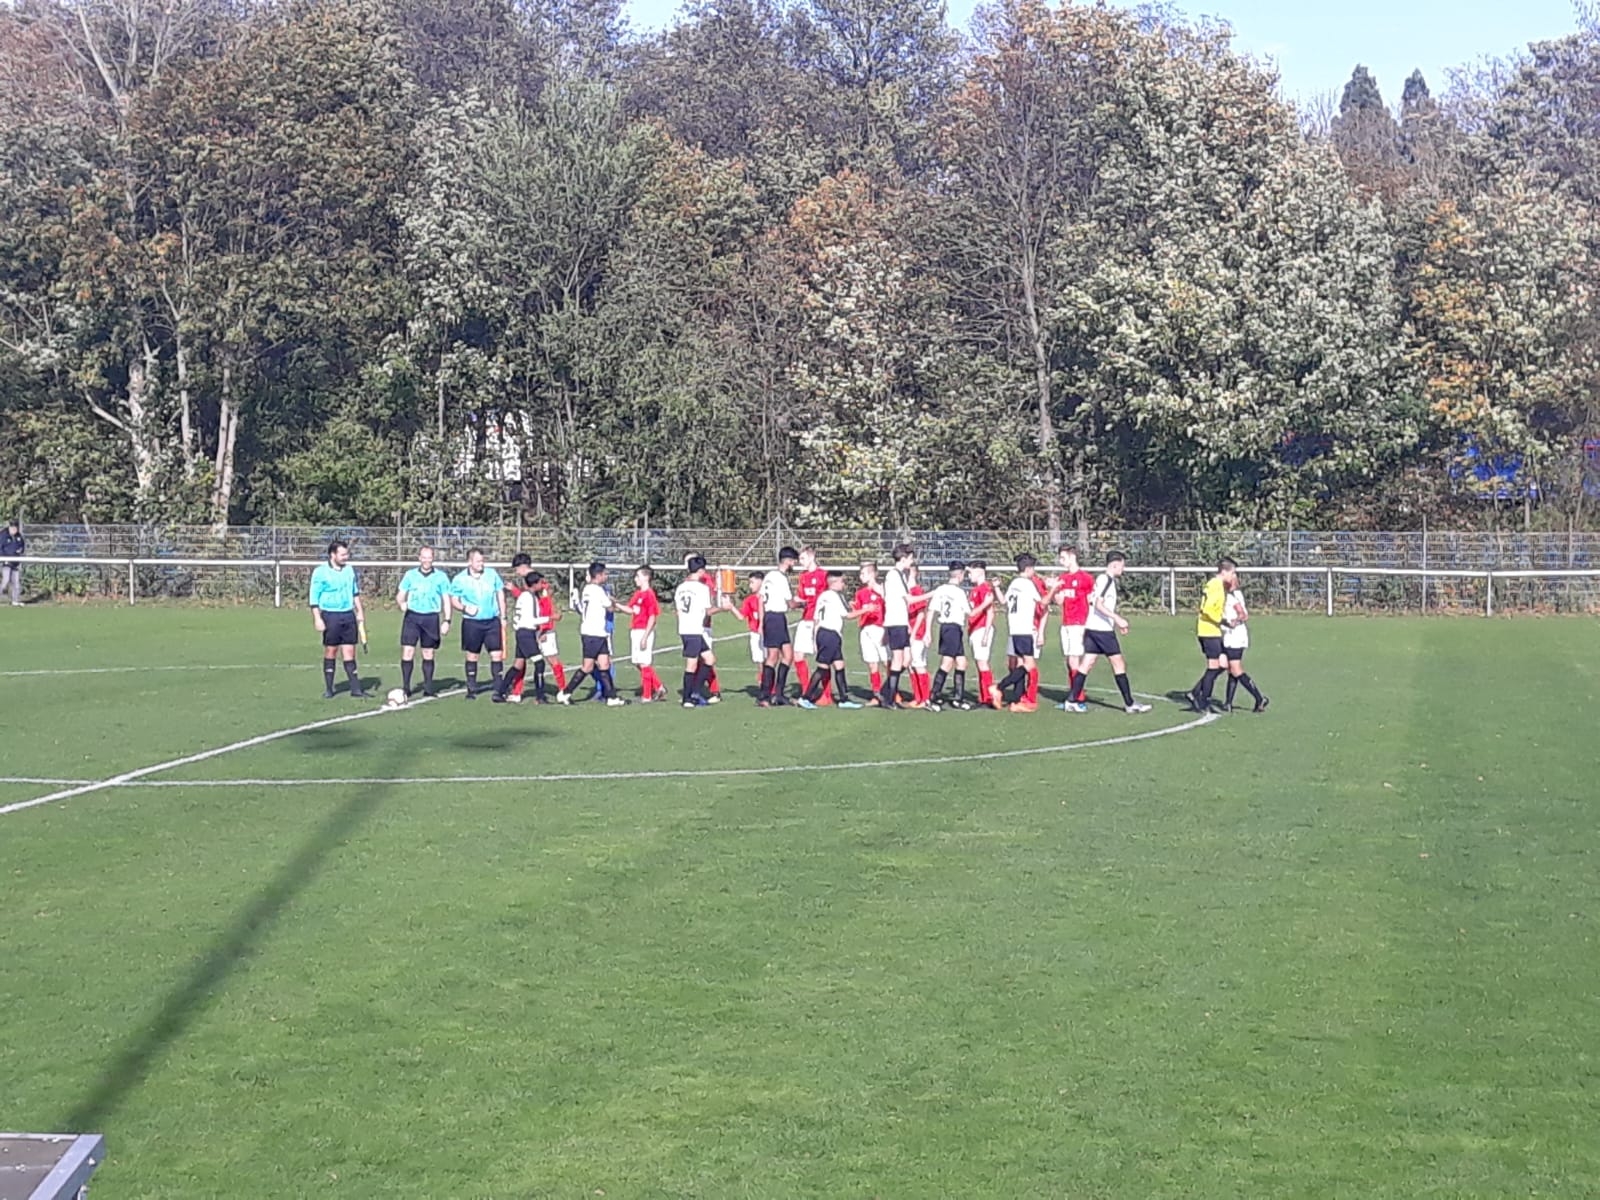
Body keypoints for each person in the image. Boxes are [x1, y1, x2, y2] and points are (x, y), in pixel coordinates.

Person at [1066, 552, 1153, 714]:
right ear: (1115, 565)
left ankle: (1071, 701)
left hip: (1093, 628)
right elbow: (1099, 604)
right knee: (1118, 664)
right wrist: (1117, 619)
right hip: (1102, 631)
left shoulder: (1103, 580)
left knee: (1087, 663)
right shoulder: (1105, 580)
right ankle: (1130, 704)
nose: (1123, 569)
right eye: (1122, 565)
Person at [559, 561, 624, 706]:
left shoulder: (587, 588)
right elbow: (610, 608)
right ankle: (565, 693)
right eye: (605, 574)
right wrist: (613, 601)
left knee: (604, 664)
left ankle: (612, 697)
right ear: (598, 575)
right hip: (593, 633)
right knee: (587, 667)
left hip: (597, 632)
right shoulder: (598, 590)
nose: (606, 576)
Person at [309, 538, 367, 699]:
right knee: (331, 650)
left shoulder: (349, 570)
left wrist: (360, 611)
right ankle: (329, 689)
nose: (345, 557)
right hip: (330, 615)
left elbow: (355, 593)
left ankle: (356, 689)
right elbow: (314, 597)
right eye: (342, 554)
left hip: (348, 614)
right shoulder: (320, 572)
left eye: (347, 554)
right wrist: (317, 618)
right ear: (332, 555)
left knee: (350, 651)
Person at [798, 572, 863, 709]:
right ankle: (805, 698)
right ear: (835, 583)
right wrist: (866, 610)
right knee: (823, 667)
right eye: (842, 582)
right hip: (830, 634)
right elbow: (847, 615)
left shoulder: (823, 596)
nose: (844, 584)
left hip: (824, 633)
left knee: (839, 665)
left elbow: (816, 619)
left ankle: (844, 699)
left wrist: (815, 638)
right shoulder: (833, 596)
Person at [449, 546, 506, 700]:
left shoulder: (491, 574)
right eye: (478, 561)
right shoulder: (460, 579)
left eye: (482, 560)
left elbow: (500, 593)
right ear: (470, 562)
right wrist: (464, 608)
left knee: (496, 654)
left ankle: (498, 690)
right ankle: (472, 688)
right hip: (472, 623)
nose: (481, 564)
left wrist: (503, 616)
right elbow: (454, 599)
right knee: (472, 655)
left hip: (492, 621)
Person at [396, 545, 451, 697]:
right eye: (424, 557)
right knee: (408, 651)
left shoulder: (441, 577)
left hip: (431, 617)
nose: (427, 560)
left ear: (433, 558)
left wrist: (447, 620)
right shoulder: (410, 575)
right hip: (412, 617)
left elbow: (446, 599)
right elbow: (400, 595)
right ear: (419, 558)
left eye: (429, 557)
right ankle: (406, 688)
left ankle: (428, 688)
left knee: (428, 652)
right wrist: (401, 603)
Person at [991, 553, 1041, 712]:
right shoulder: (1027, 584)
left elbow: (1003, 601)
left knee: (1020, 664)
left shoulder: (1014, 583)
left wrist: (996, 587)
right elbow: (1043, 602)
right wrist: (1054, 588)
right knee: (1029, 664)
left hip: (1014, 629)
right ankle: (998, 687)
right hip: (1024, 630)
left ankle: (1017, 701)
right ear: (1028, 569)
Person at [674, 555, 724, 707]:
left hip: (688, 628)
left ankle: (695, 691)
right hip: (693, 630)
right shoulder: (702, 589)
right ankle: (687, 698)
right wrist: (722, 608)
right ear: (701, 571)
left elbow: (678, 610)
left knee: (710, 659)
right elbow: (707, 611)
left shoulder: (681, 587)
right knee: (692, 664)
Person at [1189, 557, 1237, 713]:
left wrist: (1223, 623)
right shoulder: (1215, 585)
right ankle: (1203, 700)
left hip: (1212, 630)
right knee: (1213, 666)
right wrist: (1222, 620)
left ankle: (1195, 692)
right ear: (1224, 572)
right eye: (1232, 573)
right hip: (1208, 631)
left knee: (1223, 664)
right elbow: (1207, 609)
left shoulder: (1216, 585)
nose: (1233, 576)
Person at [873, 544, 916, 709]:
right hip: (896, 623)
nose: (912, 561)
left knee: (907, 659)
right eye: (910, 558)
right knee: (898, 660)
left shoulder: (900, 575)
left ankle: (884, 692)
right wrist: (933, 594)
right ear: (903, 558)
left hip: (901, 622)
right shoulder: (893, 575)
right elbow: (908, 599)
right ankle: (889, 699)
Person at [1051, 546, 1094, 712]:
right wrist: (1054, 588)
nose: (1061, 561)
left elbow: (1091, 600)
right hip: (1066, 623)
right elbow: (1059, 601)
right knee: (1069, 661)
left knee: (1074, 659)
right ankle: (1074, 695)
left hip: (1079, 623)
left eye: (1063, 557)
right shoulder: (1062, 578)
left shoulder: (1086, 578)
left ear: (1072, 557)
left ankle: (1077, 698)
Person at [498, 569, 551, 703]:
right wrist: (550, 618)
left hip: (523, 632)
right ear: (534, 584)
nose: (542, 585)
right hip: (526, 633)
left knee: (518, 664)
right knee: (539, 663)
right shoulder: (529, 597)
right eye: (541, 583)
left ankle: (500, 692)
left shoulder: (527, 596)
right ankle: (540, 697)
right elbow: (531, 620)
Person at [926, 561, 972, 712]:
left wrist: (928, 631)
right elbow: (970, 612)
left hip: (947, 629)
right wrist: (985, 603)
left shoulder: (940, 589)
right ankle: (932, 697)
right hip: (952, 628)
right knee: (947, 663)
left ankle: (958, 698)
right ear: (960, 575)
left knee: (962, 663)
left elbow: (931, 610)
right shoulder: (960, 593)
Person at [757, 546, 799, 706]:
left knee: (788, 655)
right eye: (793, 561)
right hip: (775, 617)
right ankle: (764, 696)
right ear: (787, 561)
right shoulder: (780, 578)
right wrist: (803, 603)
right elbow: (791, 603)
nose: (794, 564)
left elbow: (761, 599)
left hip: (773, 618)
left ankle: (778, 694)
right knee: (773, 656)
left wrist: (762, 621)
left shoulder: (769, 575)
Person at [1222, 577, 1270, 713]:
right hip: (1235, 635)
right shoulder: (1236, 594)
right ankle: (1228, 703)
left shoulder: (1230, 597)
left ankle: (1259, 698)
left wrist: (1232, 622)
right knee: (1232, 669)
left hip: (1234, 636)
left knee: (1236, 669)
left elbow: (1243, 614)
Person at [627, 566, 668, 702]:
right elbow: (630, 609)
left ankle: (647, 695)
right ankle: (659, 687)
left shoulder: (649, 595)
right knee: (638, 662)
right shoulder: (638, 594)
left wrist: (645, 636)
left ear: (646, 577)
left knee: (644, 663)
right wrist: (615, 604)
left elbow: (652, 617)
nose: (635, 579)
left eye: (638, 576)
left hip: (644, 631)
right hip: (635, 630)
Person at [793, 547, 828, 703]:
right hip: (805, 619)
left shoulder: (823, 575)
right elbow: (801, 597)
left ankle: (826, 695)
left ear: (812, 557)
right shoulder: (803, 576)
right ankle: (807, 691)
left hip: (820, 620)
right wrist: (797, 602)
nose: (800, 562)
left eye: (803, 558)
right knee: (798, 655)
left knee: (823, 658)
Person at [966, 561, 998, 707]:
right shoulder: (975, 589)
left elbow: (990, 612)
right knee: (979, 663)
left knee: (982, 663)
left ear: (979, 572)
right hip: (975, 629)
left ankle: (989, 696)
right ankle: (983, 696)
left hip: (981, 629)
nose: (969, 575)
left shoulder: (984, 588)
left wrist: (986, 633)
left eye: (970, 572)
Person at [854, 562, 888, 700]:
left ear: (872, 574)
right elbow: (857, 611)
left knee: (887, 662)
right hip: (865, 630)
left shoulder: (882, 590)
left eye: (863, 573)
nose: (860, 576)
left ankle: (893, 692)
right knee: (872, 663)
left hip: (880, 629)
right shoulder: (860, 593)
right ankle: (876, 694)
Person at [906, 566, 933, 707]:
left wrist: (914, 632)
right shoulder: (905, 591)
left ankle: (925, 698)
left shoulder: (917, 591)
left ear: (915, 574)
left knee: (918, 664)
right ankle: (917, 697)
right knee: (910, 665)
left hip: (918, 635)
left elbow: (921, 614)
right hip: (908, 633)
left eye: (909, 572)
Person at [739, 571, 765, 672]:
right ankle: (763, 681)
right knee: (760, 662)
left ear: (760, 582)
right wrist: (731, 607)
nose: (750, 586)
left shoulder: (768, 597)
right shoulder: (749, 600)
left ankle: (770, 681)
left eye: (752, 582)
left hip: (768, 632)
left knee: (769, 660)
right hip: (755, 634)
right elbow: (741, 616)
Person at [0, 519, 23, 606]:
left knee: (16, 583)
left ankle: (15, 600)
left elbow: (22, 545)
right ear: (9, 527)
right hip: (6, 562)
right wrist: (4, 558)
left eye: (16, 528)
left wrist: (21, 550)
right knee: (5, 581)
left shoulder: (18, 536)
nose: (14, 530)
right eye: (13, 528)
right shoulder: (3, 535)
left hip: (15, 562)